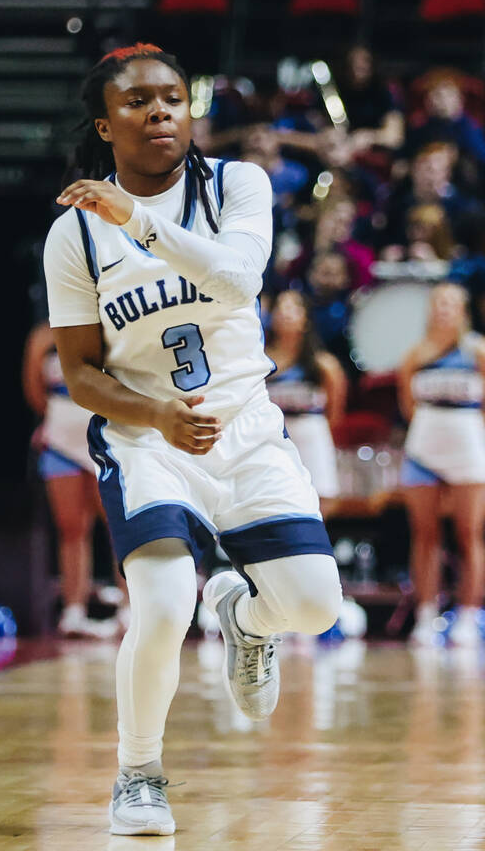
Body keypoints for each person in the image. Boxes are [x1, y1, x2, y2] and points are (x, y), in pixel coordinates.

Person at [43, 44, 342, 836]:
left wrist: (136, 220)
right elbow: (79, 372)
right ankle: (137, 774)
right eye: (139, 102)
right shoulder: (73, 235)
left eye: (173, 98)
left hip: (246, 426)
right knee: (166, 602)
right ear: (107, 125)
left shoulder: (236, 184)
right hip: (149, 439)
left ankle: (247, 618)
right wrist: (155, 417)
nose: (161, 113)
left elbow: (241, 278)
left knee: (314, 607)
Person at [397, 283, 485, 647]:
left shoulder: (481, 351)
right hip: (424, 446)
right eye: (438, 303)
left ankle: (469, 617)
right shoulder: (414, 354)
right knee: (424, 535)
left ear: (463, 310)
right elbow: (407, 407)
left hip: (468, 443)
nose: (444, 309)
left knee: (469, 534)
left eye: (451, 303)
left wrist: (463, 432)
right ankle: (426, 614)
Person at [22, 322, 123, 637]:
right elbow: (33, 388)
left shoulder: (105, 326)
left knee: (116, 523)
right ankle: (74, 610)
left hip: (102, 437)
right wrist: (56, 418)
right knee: (71, 527)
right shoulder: (41, 336)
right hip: (61, 440)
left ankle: (129, 608)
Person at [266, 291, 347, 519]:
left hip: (313, 436)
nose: (286, 314)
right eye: (280, 308)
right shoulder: (261, 362)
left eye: (294, 308)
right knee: (275, 503)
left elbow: (335, 414)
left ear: (306, 319)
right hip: (274, 439)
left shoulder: (324, 365)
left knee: (321, 504)